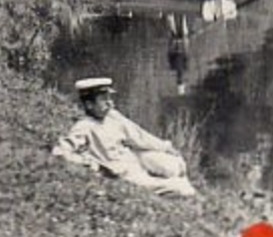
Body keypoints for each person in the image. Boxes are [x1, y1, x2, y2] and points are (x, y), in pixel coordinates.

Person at [52, 77, 196, 197]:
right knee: (183, 190)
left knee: (176, 164)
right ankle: (171, 185)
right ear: (89, 105)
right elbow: (61, 152)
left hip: (134, 159)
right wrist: (93, 165)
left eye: (109, 98)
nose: (109, 102)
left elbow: (138, 136)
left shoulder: (113, 116)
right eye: (103, 99)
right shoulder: (84, 127)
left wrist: (166, 146)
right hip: (123, 173)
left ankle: (170, 178)